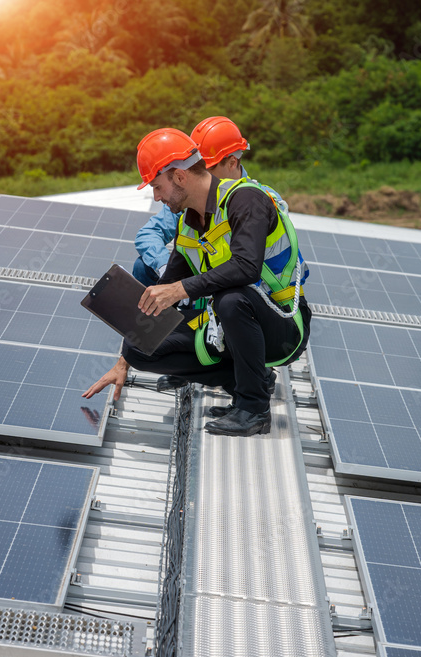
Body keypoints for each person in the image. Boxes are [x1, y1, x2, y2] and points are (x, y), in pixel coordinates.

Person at [83, 127, 311, 437]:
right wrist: (125, 357)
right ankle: (244, 380)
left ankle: (254, 408)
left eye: (157, 186)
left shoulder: (246, 199)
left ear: (179, 177)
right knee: (139, 348)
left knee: (233, 299)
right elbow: (166, 290)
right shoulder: (189, 225)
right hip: (227, 328)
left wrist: (180, 289)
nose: (157, 197)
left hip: (281, 326)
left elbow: (246, 268)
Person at [131, 116, 282, 286]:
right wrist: (166, 268)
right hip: (203, 285)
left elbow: (248, 266)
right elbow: (149, 233)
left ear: (232, 163)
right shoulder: (187, 196)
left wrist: (185, 288)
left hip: (241, 291)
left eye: (207, 168)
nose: (198, 175)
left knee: (230, 302)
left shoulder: (263, 200)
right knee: (143, 267)